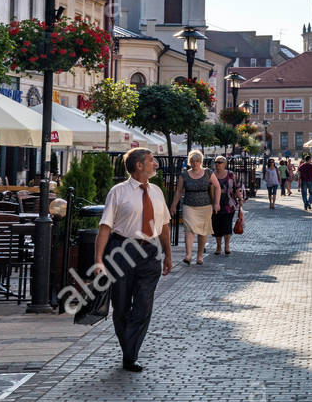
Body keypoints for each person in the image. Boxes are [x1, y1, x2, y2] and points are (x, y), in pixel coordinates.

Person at [93, 148, 172, 372]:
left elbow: (164, 224)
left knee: (143, 306)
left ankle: (130, 354)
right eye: (151, 161)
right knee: (120, 307)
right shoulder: (118, 192)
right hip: (121, 251)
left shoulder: (156, 191)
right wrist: (98, 260)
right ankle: (129, 351)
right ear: (139, 165)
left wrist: (167, 254)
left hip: (150, 252)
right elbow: (105, 227)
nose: (155, 164)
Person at [170, 150, 219, 265]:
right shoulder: (184, 175)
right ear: (189, 162)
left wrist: (216, 203)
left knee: (202, 232)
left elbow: (217, 187)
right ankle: (188, 255)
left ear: (201, 162)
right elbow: (178, 191)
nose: (195, 163)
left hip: (205, 206)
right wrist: (173, 205)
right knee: (189, 230)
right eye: (192, 161)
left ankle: (200, 255)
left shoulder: (208, 172)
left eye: (197, 161)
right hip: (189, 206)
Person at [211, 157, 243, 255]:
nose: (217, 164)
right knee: (216, 227)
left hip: (229, 204)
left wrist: (240, 199)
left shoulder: (231, 175)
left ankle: (227, 246)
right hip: (214, 204)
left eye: (220, 162)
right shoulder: (212, 175)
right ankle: (218, 246)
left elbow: (236, 187)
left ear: (224, 164)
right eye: (216, 162)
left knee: (227, 226)